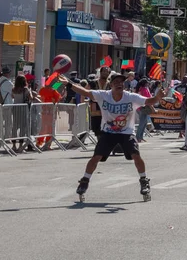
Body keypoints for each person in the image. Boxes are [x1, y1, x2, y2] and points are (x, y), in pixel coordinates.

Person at [63, 73, 166, 201]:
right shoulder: (103, 95)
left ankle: (144, 180)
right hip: (108, 132)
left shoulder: (130, 97)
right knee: (96, 157)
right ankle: (84, 181)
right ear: (111, 85)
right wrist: (68, 84)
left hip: (126, 132)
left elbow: (148, 101)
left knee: (136, 155)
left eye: (121, 82)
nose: (119, 84)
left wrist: (158, 97)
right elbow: (85, 92)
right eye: (116, 82)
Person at [11, 75, 33, 153]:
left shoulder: (14, 89)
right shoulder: (25, 89)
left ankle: (13, 145)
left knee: (15, 126)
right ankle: (20, 145)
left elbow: (12, 96)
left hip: (15, 108)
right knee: (22, 127)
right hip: (23, 109)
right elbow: (31, 97)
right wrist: (30, 90)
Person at [89, 67, 111, 137]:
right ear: (101, 73)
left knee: (106, 130)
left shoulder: (110, 84)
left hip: (106, 110)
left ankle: (103, 145)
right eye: (104, 71)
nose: (105, 73)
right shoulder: (93, 82)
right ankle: (100, 145)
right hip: (95, 110)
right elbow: (85, 92)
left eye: (107, 72)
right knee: (97, 130)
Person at [135, 79, 153, 143]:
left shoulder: (139, 89)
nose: (148, 84)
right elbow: (148, 98)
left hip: (139, 108)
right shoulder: (144, 89)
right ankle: (138, 137)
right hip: (143, 108)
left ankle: (141, 137)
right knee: (142, 123)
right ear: (145, 84)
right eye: (147, 83)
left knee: (144, 123)